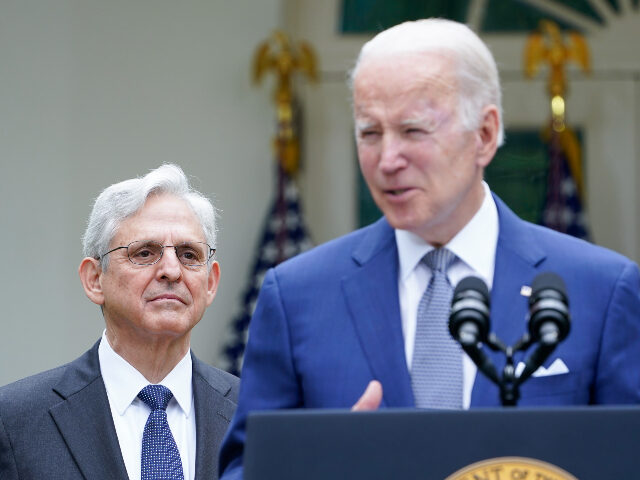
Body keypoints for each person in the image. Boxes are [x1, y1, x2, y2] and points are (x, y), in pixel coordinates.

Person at [218, 18, 640, 479]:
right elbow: (245, 469)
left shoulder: (600, 290)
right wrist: (323, 463)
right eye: (370, 133)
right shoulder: (296, 296)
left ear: (484, 134)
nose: (387, 160)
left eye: (413, 131)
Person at [0, 164, 239, 480]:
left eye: (189, 255)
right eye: (144, 253)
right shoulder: (15, 420)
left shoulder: (255, 413)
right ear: (95, 279)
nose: (172, 270)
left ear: (210, 283)